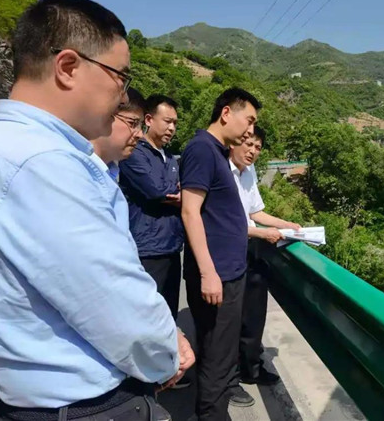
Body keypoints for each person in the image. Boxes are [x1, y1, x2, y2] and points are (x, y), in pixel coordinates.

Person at [0, 0, 194, 421]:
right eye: (120, 76)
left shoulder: (5, 148)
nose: (124, 95)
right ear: (68, 67)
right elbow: (114, 302)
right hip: (83, 405)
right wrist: (167, 354)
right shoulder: (42, 163)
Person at [180, 88, 260, 420]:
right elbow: (190, 212)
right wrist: (208, 273)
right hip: (219, 276)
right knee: (216, 356)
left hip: (230, 273)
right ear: (227, 113)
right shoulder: (202, 149)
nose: (251, 130)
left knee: (222, 353)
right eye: (249, 120)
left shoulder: (216, 152)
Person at [226, 126, 302, 407]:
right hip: (228, 252)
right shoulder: (221, 172)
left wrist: (287, 225)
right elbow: (226, 222)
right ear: (234, 142)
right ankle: (229, 380)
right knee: (230, 320)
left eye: (258, 147)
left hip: (250, 249)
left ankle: (251, 368)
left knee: (254, 313)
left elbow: (255, 212)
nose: (253, 151)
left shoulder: (249, 172)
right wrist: (263, 233)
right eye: (249, 144)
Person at [119, 95, 183, 319]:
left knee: (169, 316)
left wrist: (176, 193)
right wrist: (178, 193)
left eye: (175, 123)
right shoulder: (134, 153)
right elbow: (157, 190)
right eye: (167, 121)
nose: (172, 128)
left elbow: (173, 190)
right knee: (145, 316)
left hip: (172, 247)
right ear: (148, 120)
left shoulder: (171, 158)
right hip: (146, 249)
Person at [91, 87, 146, 178]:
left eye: (142, 126)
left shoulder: (112, 172)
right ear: (105, 115)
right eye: (132, 123)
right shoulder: (74, 169)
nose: (140, 135)